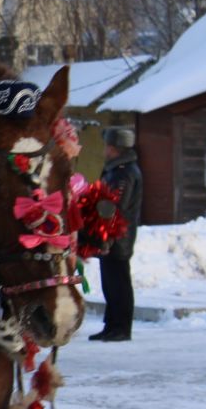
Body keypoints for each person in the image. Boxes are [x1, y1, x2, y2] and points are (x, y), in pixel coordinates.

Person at [89, 126, 144, 342]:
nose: (105, 150)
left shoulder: (124, 172)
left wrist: (108, 236)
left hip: (118, 237)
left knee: (118, 283)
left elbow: (115, 206)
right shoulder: (116, 169)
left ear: (115, 148)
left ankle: (121, 328)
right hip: (110, 235)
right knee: (109, 282)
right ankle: (111, 325)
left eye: (108, 146)